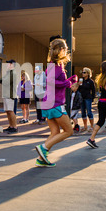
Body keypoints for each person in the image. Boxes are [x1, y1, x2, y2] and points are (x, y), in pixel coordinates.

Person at [34, 38, 77, 167]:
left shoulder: (53, 65)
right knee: (69, 131)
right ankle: (43, 148)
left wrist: (70, 80)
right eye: (66, 49)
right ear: (62, 50)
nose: (67, 51)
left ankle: (41, 158)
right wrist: (67, 82)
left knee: (55, 133)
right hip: (55, 103)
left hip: (49, 103)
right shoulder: (56, 66)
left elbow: (53, 81)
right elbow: (51, 82)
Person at [1, 59, 18, 134]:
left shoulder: (13, 73)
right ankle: (11, 126)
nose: (7, 65)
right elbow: (2, 80)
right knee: (8, 111)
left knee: (11, 111)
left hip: (10, 95)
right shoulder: (8, 72)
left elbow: (5, 82)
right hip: (6, 94)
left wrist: (3, 80)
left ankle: (14, 127)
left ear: (12, 65)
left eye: (8, 63)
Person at [79, 67, 96, 132]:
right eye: (82, 72)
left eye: (84, 72)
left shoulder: (91, 81)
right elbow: (79, 89)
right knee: (83, 112)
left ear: (88, 73)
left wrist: (92, 98)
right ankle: (85, 127)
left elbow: (93, 90)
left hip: (88, 98)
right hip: (82, 98)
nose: (82, 74)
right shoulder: (81, 80)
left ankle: (92, 126)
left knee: (89, 112)